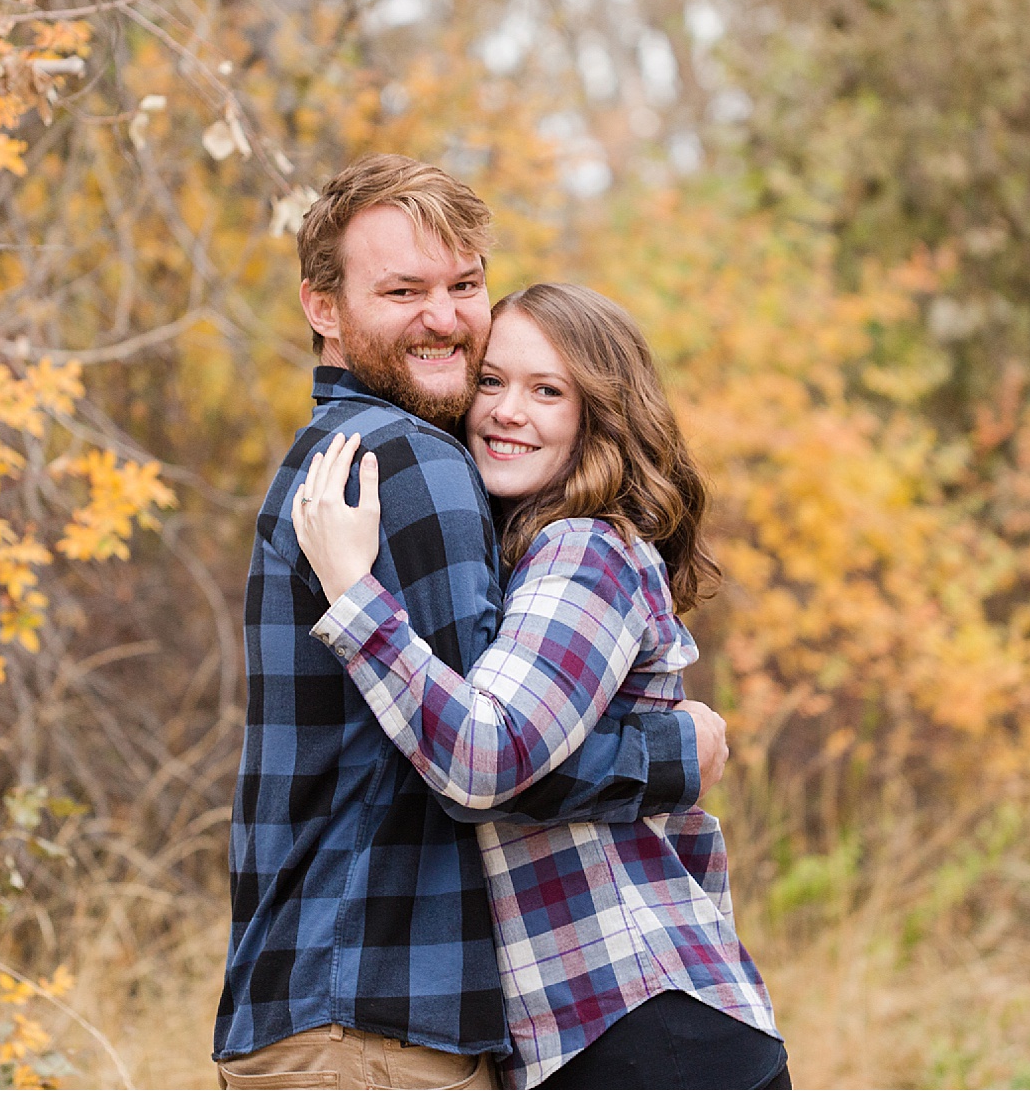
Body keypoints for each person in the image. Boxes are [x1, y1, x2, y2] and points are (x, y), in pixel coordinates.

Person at [214, 156, 729, 1090]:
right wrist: (674, 755)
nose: (445, 318)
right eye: (403, 290)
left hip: (326, 1009)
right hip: (377, 1023)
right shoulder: (412, 465)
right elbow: (486, 765)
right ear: (322, 308)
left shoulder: (335, 455)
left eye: (464, 285)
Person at [292, 282, 786, 1089]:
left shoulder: (585, 551)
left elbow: (487, 759)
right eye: (492, 381)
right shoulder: (519, 561)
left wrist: (354, 597)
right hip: (595, 1031)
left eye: (546, 391)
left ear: (600, 417)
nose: (506, 411)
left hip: (642, 1021)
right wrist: (672, 751)